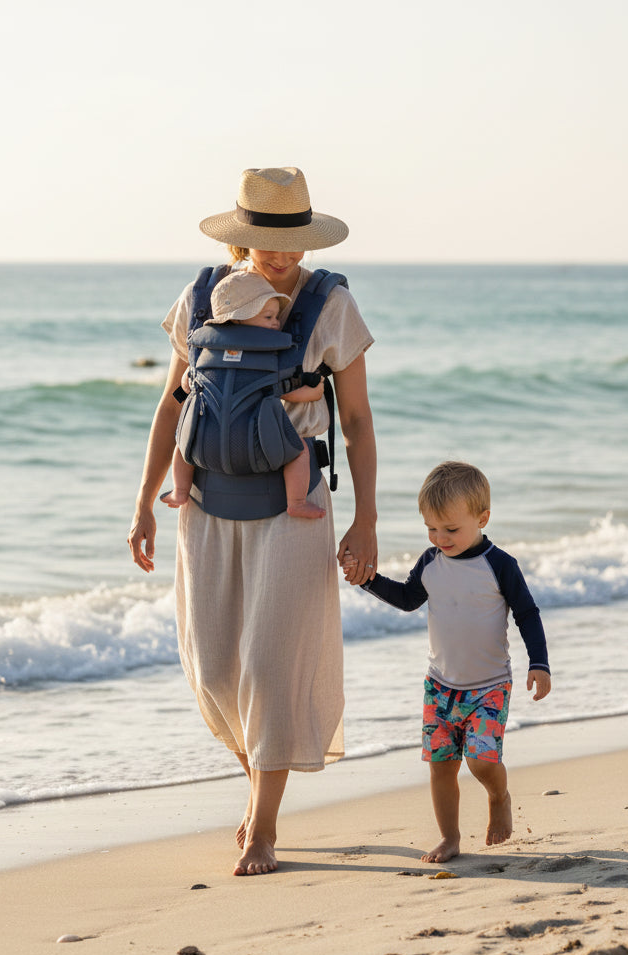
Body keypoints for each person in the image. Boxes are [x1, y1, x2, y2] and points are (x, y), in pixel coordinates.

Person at [128, 166, 379, 876]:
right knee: (215, 668)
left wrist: (366, 517)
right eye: (269, 240)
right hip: (206, 504)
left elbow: (358, 420)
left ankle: (263, 826)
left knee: (270, 668)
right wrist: (144, 500)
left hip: (294, 506)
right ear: (241, 236)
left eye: (296, 240)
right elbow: (173, 404)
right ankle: (256, 787)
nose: (284, 254)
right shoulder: (201, 297)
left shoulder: (331, 305)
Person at [344, 461, 551, 863]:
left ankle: (498, 794)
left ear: (482, 518)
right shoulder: (430, 561)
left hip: (490, 685)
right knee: (441, 767)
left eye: (451, 529)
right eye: (431, 529)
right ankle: (449, 837)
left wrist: (539, 663)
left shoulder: (500, 565)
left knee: (481, 760)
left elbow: (527, 613)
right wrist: (367, 579)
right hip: (439, 686)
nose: (440, 538)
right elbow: (408, 598)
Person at [161, 270, 327, 519]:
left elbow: (185, 385)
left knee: (183, 445)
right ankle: (297, 502)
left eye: (276, 316)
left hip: (205, 447)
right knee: (300, 451)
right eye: (269, 316)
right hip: (259, 450)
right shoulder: (269, 360)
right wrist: (317, 389)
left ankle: (180, 490)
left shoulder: (206, 352)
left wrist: (186, 389)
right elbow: (292, 393)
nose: (276, 323)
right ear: (238, 319)